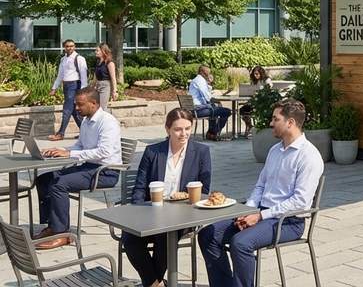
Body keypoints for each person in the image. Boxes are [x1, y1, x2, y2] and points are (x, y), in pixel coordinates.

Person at [198, 99, 323, 287]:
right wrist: (248, 210)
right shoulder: (275, 150)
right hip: (261, 214)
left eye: (275, 119)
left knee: (240, 243)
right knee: (208, 234)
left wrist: (260, 215)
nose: (271, 123)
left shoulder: (309, 156)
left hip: (288, 221)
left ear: (290, 123)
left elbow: (301, 202)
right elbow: (260, 186)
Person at [123, 108, 212, 287]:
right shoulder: (153, 152)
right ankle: (156, 284)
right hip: (153, 212)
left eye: (188, 128)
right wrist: (137, 215)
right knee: (129, 238)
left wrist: (188, 198)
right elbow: (140, 188)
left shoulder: (201, 152)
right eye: (178, 129)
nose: (184, 133)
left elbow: (205, 190)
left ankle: (152, 284)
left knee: (165, 234)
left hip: (184, 214)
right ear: (167, 129)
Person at [33, 87, 121, 249]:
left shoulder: (108, 122)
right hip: (89, 167)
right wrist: (62, 151)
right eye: (76, 104)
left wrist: (70, 154)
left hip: (105, 172)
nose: (76, 108)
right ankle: (52, 226)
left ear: (93, 103)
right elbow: (81, 145)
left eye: (80, 105)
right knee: (44, 179)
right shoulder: (87, 121)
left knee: (60, 184)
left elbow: (104, 151)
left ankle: (63, 234)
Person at [47, 39, 89, 141]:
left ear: (74, 47)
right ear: (64, 47)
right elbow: (60, 75)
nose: (70, 48)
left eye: (72, 46)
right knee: (74, 111)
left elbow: (83, 76)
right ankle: (85, 133)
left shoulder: (79, 58)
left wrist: (83, 91)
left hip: (75, 85)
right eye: (67, 46)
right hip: (66, 86)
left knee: (67, 109)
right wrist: (54, 88)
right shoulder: (63, 59)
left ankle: (60, 133)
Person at [189, 65, 232, 141]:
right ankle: (214, 133)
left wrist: (209, 84)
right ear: (202, 72)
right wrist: (217, 100)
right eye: (208, 71)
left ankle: (211, 133)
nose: (209, 73)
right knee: (227, 111)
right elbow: (207, 97)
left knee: (214, 108)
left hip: (195, 109)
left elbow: (205, 94)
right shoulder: (200, 80)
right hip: (198, 110)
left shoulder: (196, 80)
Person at [240, 66, 273, 137]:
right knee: (242, 110)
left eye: (257, 74)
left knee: (253, 110)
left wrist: (260, 93)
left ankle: (254, 128)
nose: (255, 75)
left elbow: (269, 91)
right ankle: (249, 125)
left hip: (263, 102)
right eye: (254, 74)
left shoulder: (266, 80)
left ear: (261, 73)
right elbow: (251, 91)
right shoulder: (253, 81)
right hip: (254, 101)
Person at [93, 43, 117, 109]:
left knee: (102, 108)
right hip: (98, 86)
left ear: (103, 51)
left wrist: (114, 91)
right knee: (97, 107)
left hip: (105, 86)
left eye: (97, 50)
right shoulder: (98, 62)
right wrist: (93, 86)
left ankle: (109, 118)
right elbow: (95, 76)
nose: (95, 52)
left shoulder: (109, 63)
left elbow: (113, 78)